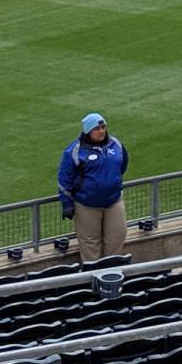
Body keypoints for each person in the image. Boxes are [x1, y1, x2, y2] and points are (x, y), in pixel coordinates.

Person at [57, 112, 130, 261]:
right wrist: (67, 204)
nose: (101, 131)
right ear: (88, 131)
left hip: (114, 202)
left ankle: (112, 270)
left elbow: (122, 165)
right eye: (97, 129)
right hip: (86, 206)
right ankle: (93, 273)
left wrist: (111, 183)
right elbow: (64, 179)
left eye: (103, 127)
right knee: (90, 245)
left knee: (117, 238)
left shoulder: (116, 144)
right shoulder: (74, 151)